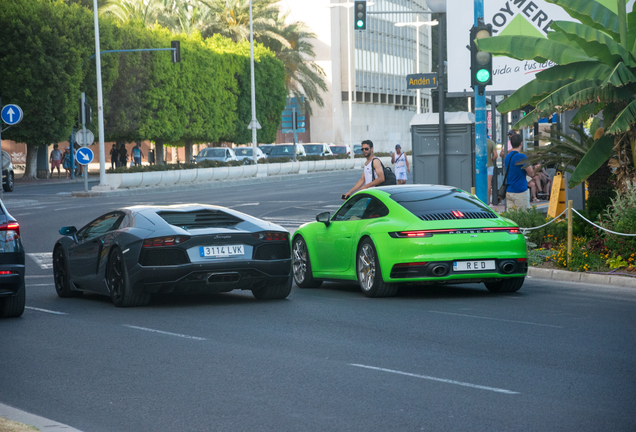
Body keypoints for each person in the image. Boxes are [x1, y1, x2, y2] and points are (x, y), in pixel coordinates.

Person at [504, 133, 534, 209]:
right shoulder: (522, 157)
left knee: (511, 217)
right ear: (521, 143)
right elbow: (531, 173)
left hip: (509, 191)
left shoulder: (507, 157)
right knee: (523, 216)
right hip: (520, 190)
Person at [486, 138, 497, 205]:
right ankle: (488, 201)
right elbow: (496, 155)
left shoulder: (477, 141)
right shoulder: (491, 142)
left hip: (480, 165)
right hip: (489, 165)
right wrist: (491, 159)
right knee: (488, 183)